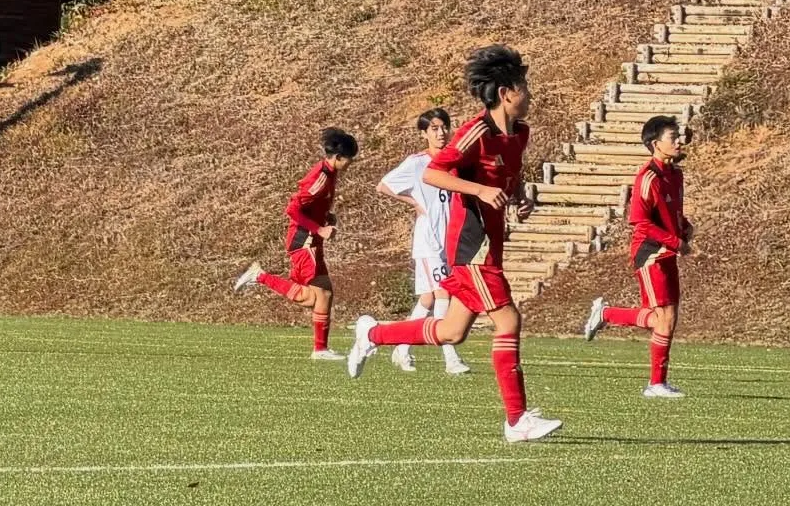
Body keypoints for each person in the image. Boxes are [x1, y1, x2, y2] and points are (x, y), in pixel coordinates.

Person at [346, 45, 561, 444]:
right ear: (505, 93)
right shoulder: (473, 133)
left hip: (491, 243)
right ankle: (516, 421)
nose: (530, 94)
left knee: (451, 331)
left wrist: (518, 199)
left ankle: (372, 335)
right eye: (524, 87)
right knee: (508, 320)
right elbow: (435, 175)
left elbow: (506, 182)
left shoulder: (521, 134)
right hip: (470, 245)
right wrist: (479, 189)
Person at [581, 114, 691, 397]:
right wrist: (675, 241)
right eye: (672, 137)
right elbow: (642, 223)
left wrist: (684, 227)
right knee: (663, 318)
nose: (679, 141)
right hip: (650, 253)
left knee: (666, 319)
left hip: (667, 252)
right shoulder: (647, 177)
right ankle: (655, 384)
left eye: (679, 135)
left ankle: (605, 313)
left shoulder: (676, 174)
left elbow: (670, 214)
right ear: (656, 144)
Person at [234, 128, 358, 360]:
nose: (351, 164)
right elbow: (292, 209)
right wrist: (319, 228)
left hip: (312, 240)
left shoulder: (330, 174)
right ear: (339, 157)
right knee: (312, 297)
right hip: (304, 241)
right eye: (350, 160)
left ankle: (320, 350)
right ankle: (259, 276)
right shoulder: (321, 178)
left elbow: (312, 207)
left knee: (325, 295)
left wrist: (325, 218)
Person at [377, 109, 470, 377]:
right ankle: (450, 357)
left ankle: (402, 348)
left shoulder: (455, 160)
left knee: (428, 298)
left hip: (450, 238)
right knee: (444, 294)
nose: (441, 133)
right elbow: (383, 186)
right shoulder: (417, 163)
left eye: (444, 127)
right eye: (435, 128)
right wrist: (414, 203)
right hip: (430, 240)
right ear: (424, 133)